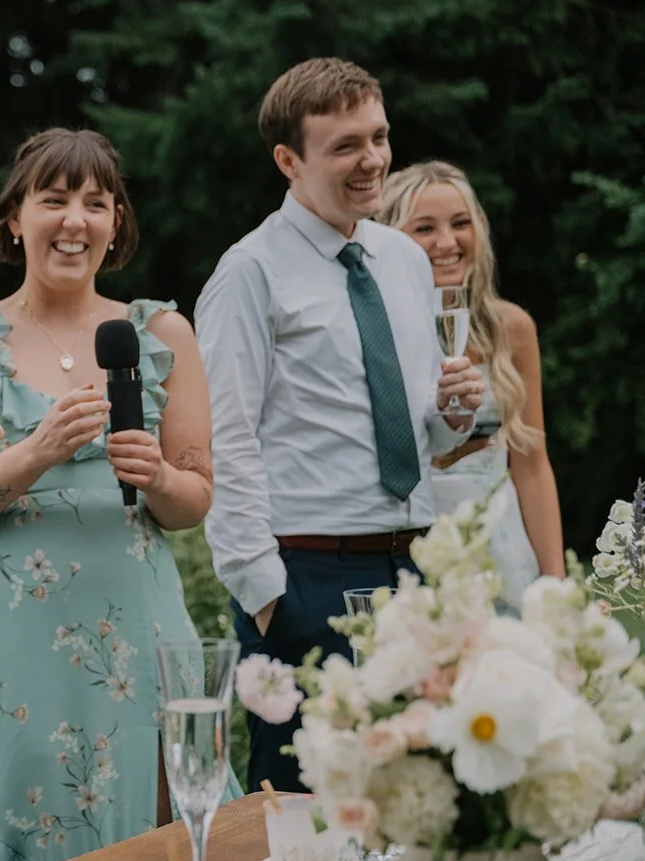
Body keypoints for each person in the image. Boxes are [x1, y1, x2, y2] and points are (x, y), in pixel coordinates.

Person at [0, 127, 226, 861]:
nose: (75, 220)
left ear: (117, 223)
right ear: (15, 217)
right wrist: (35, 452)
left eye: (96, 203)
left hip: (138, 628)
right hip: (11, 642)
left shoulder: (159, 331)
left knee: (164, 837)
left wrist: (158, 476)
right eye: (54, 200)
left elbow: (194, 501)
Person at [196, 59, 484, 794]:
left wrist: (451, 412)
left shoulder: (404, 260)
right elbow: (225, 438)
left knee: (417, 795)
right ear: (288, 161)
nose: (373, 160)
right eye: (346, 145)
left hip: (413, 569)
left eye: (379, 137)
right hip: (305, 578)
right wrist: (267, 595)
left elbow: (426, 435)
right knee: (305, 809)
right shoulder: (249, 272)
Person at [378, 160, 564, 607]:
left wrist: (556, 585)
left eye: (460, 223)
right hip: (409, 545)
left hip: (499, 542)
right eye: (425, 228)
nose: (447, 242)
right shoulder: (376, 334)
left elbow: (532, 465)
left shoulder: (511, 328)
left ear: (479, 227)